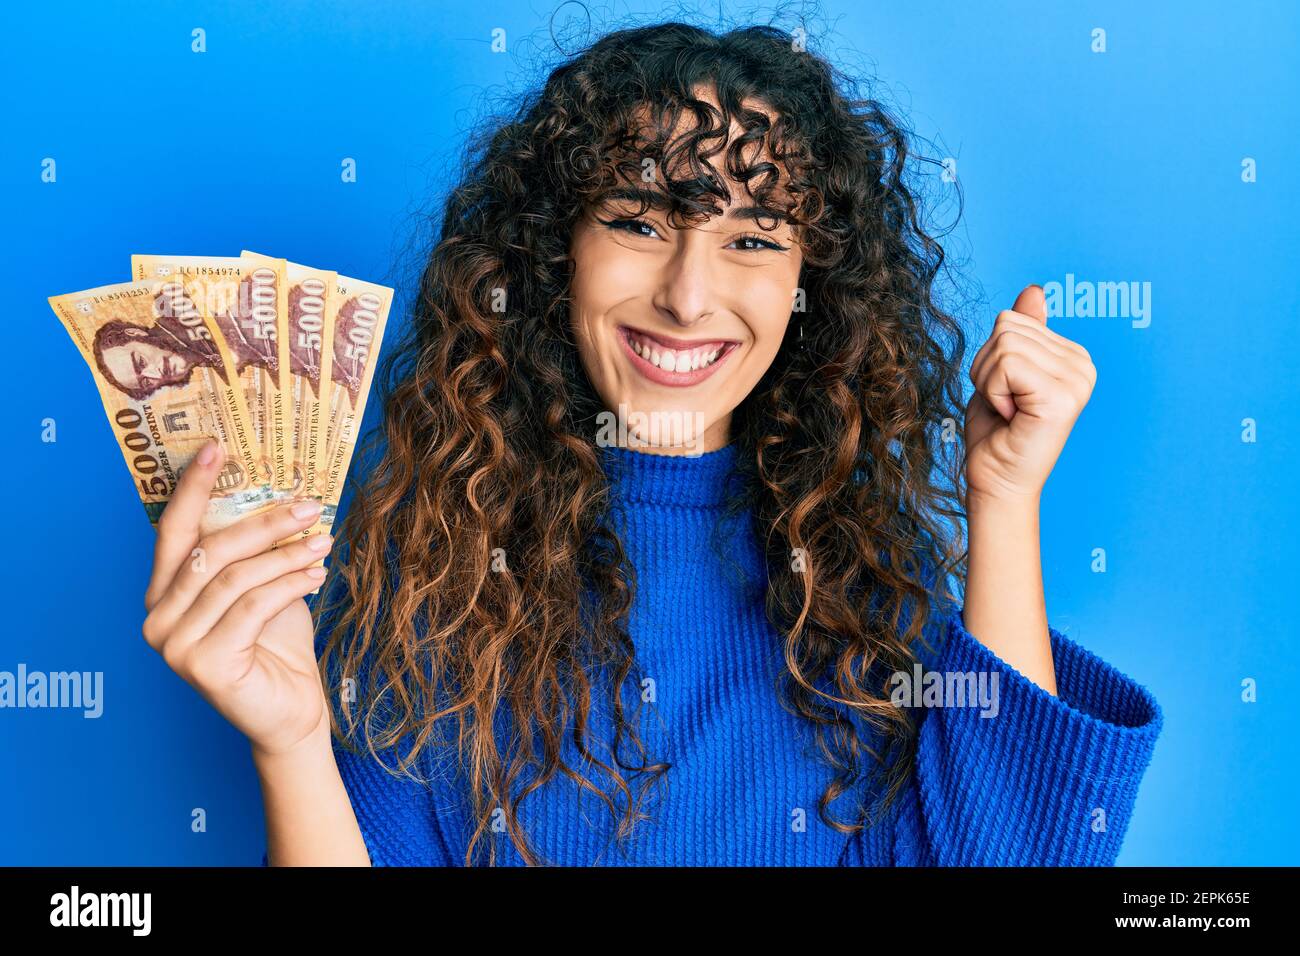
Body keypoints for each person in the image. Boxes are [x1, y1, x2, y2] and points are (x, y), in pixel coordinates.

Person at [140, 21, 1161, 866]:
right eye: (637, 219)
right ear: (553, 253)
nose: (684, 295)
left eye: (753, 239)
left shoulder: (869, 616)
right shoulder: (434, 598)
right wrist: (293, 742)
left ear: (812, 289)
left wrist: (1002, 493)